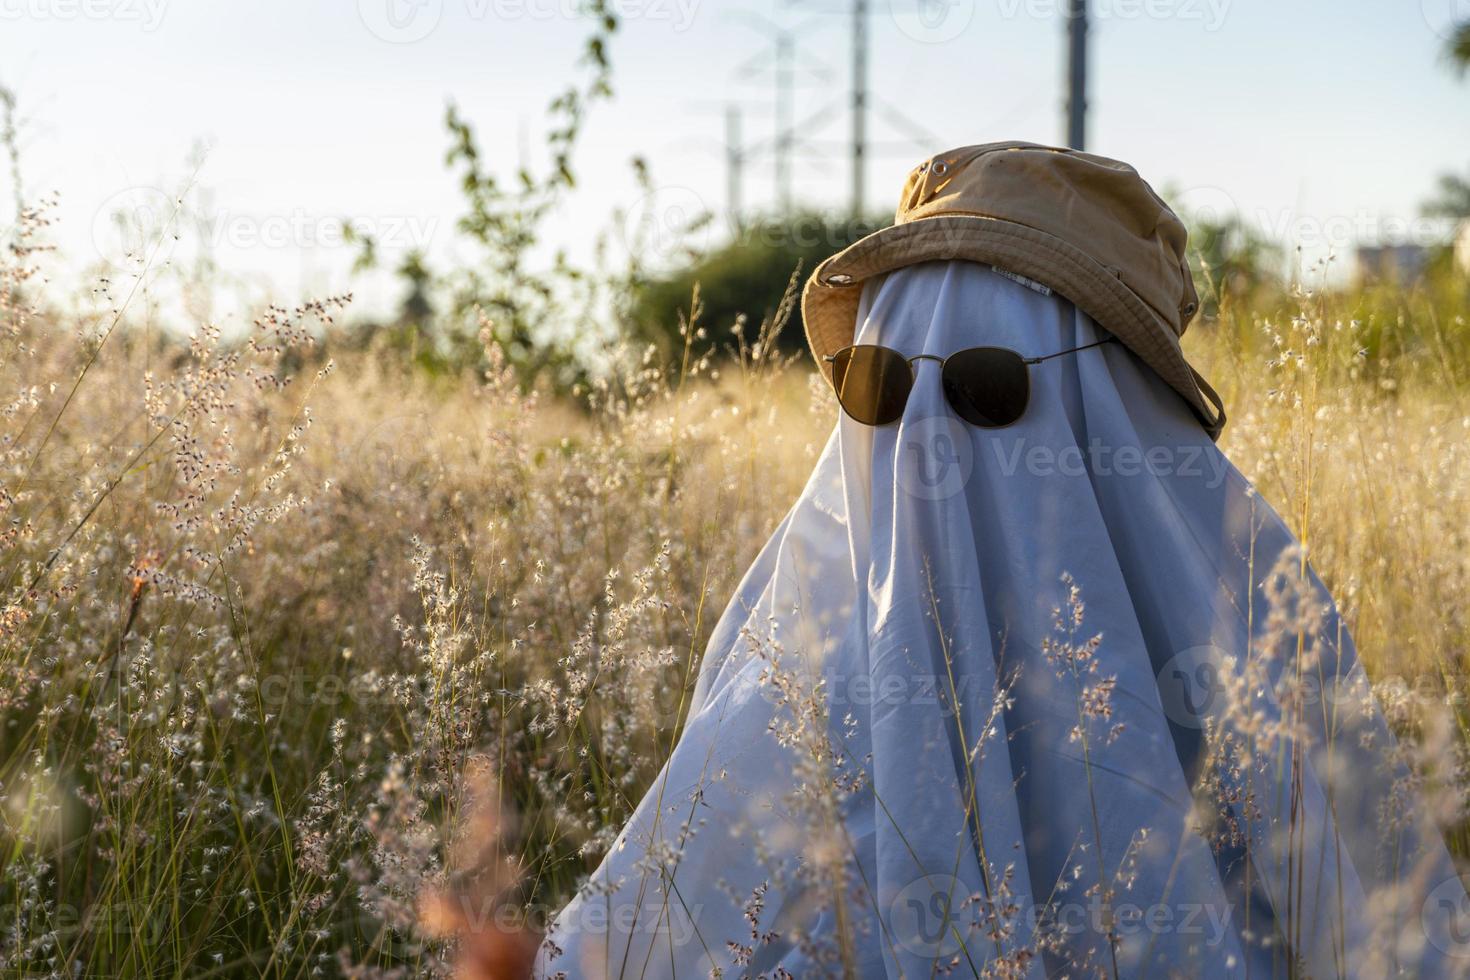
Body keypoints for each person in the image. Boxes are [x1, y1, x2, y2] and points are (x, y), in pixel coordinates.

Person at [536, 142, 1469, 978]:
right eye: (881, 387)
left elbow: (1382, 926)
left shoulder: (1256, 627)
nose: (925, 440)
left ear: (1107, 410)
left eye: (988, 389)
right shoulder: (780, 670)